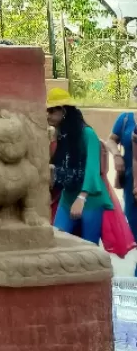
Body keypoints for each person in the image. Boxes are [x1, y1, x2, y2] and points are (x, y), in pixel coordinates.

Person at [48, 99, 111, 244]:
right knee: (57, 240)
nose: (48, 116)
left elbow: (92, 168)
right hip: (68, 195)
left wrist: (82, 198)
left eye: (51, 111)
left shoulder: (87, 133)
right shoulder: (62, 135)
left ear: (63, 112)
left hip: (90, 198)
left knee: (89, 246)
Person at [110, 83, 137, 241]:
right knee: (134, 227)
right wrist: (116, 156)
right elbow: (111, 140)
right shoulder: (126, 118)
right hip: (130, 182)